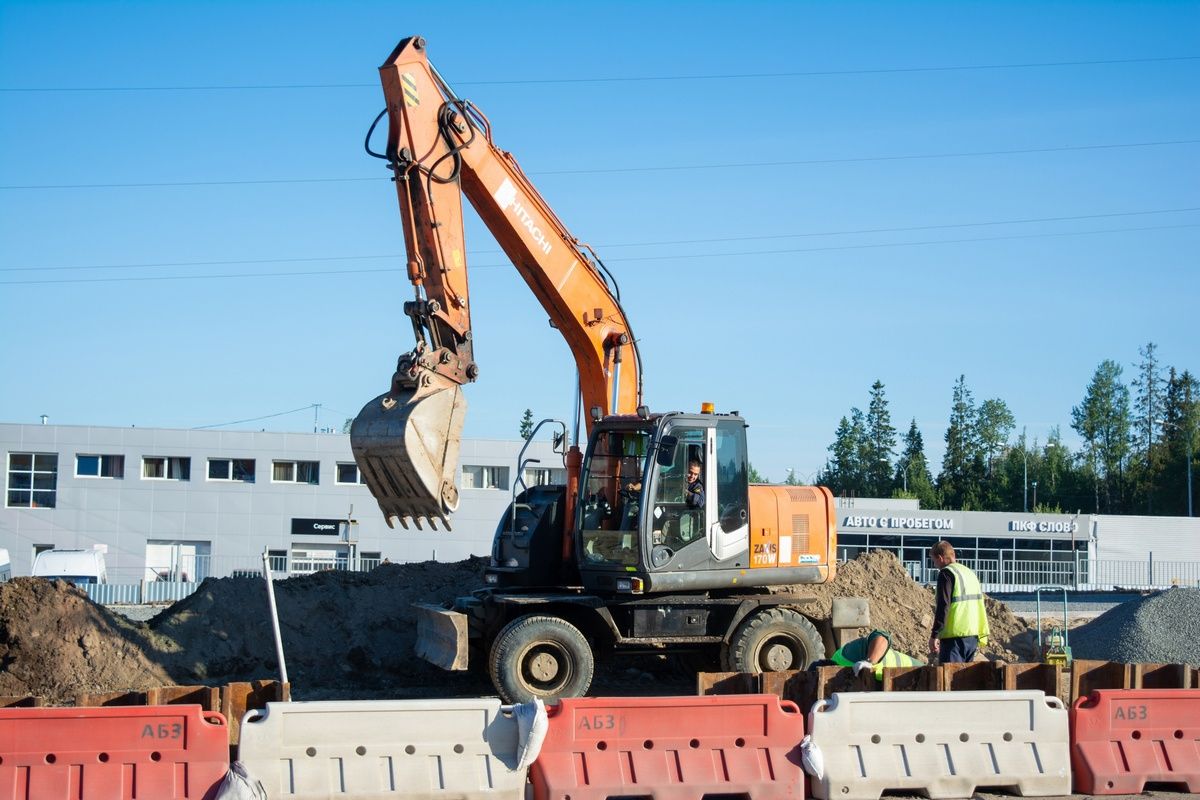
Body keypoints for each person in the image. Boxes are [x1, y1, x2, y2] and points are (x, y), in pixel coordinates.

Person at [928, 540, 991, 663]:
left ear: (940, 558)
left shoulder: (946, 574)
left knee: (950, 678)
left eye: (933, 560)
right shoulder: (969, 573)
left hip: (954, 637)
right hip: (972, 635)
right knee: (963, 679)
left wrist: (935, 635)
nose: (934, 564)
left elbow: (943, 606)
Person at [829, 629, 925, 680]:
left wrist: (869, 661)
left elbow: (882, 636)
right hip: (895, 684)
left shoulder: (847, 655)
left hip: (918, 673)